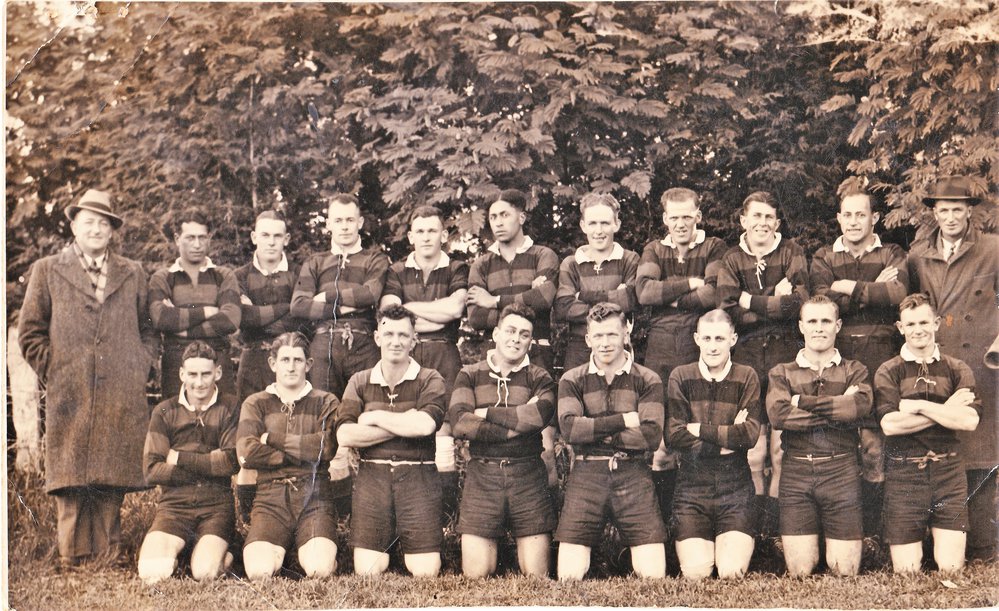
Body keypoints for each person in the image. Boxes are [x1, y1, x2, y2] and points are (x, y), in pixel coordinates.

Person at [19, 188, 158, 568]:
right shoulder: (47, 270)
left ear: (113, 230)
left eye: (104, 223)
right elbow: (29, 331)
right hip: (71, 388)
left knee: (111, 471)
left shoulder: (132, 272)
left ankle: (108, 554)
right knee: (71, 468)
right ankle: (73, 554)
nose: (96, 229)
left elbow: (149, 328)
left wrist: (139, 364)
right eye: (88, 221)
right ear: (74, 225)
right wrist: (56, 367)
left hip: (119, 389)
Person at [907, 175, 998, 563]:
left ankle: (981, 544)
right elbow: (914, 305)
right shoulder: (917, 256)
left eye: (957, 209)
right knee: (936, 445)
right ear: (934, 213)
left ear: (969, 212)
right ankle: (933, 543)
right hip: (934, 363)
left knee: (980, 448)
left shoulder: (993, 249)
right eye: (942, 210)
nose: (950, 217)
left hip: (981, 362)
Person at [811, 187, 908, 539]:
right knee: (835, 442)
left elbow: (898, 295)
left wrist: (849, 285)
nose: (853, 221)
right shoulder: (823, 256)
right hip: (836, 357)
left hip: (880, 354)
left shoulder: (893, 252)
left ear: (874, 218)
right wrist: (871, 290)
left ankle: (873, 534)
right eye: (847, 215)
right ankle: (837, 529)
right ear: (839, 218)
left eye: (860, 214)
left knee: (874, 445)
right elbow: (822, 303)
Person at [636, 187, 728, 538]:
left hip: (696, 347)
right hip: (659, 352)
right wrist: (690, 283)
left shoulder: (714, 247)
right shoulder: (654, 249)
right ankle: (664, 531)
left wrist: (670, 295)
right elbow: (644, 293)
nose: (680, 223)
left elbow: (714, 293)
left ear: (698, 216)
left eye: (687, 216)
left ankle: (698, 527)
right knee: (661, 449)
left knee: (697, 441)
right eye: (673, 217)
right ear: (664, 219)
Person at [716, 191, 809, 535]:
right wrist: (773, 299)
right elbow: (727, 310)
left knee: (781, 450)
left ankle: (777, 530)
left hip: (785, 359)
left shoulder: (791, 252)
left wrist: (749, 300)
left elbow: (798, 304)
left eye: (769, 217)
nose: (762, 223)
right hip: (747, 359)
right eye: (756, 216)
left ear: (777, 223)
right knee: (754, 450)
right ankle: (755, 530)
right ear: (743, 221)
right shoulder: (731, 259)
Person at [291, 193, 390, 505]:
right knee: (324, 416)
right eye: (338, 220)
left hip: (362, 340)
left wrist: (325, 296)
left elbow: (371, 294)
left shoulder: (375, 259)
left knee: (369, 410)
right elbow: (298, 306)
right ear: (329, 224)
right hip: (323, 343)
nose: (345, 226)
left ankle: (374, 496)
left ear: (359, 222)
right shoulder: (315, 262)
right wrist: (345, 300)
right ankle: (333, 503)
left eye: (350, 220)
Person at [556, 303, 667, 580]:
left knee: (653, 575)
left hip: (632, 473)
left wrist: (594, 431)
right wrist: (623, 420)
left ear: (626, 334)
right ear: (587, 339)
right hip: (586, 472)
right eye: (598, 336)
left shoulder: (648, 379)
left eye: (612, 335)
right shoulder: (572, 379)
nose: (605, 343)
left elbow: (651, 435)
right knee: (569, 575)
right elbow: (570, 430)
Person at [336, 305, 448, 576]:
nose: (395, 341)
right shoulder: (359, 380)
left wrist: (372, 416)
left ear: (414, 340)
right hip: (372, 478)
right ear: (377, 337)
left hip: (418, 476)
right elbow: (345, 434)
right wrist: (404, 420)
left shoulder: (430, 378)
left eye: (403, 335)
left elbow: (425, 425)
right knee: (368, 570)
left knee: (426, 571)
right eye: (389, 334)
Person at [448, 303, 557, 578]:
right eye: (510, 331)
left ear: (530, 341)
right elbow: (460, 422)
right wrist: (517, 423)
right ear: (495, 334)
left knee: (537, 574)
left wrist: (484, 414)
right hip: (483, 474)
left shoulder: (540, 376)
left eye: (524, 334)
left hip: (527, 474)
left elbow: (539, 415)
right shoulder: (469, 374)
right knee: (477, 573)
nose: (516, 339)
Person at [875, 293, 981, 574]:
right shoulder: (888, 371)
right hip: (904, 474)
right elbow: (890, 425)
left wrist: (919, 406)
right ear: (900, 328)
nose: (918, 330)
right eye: (910, 324)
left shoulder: (958, 368)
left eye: (924, 322)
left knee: (951, 567)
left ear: (936, 323)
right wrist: (947, 411)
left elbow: (969, 421)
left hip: (949, 472)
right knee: (906, 571)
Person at [767, 295, 872, 576]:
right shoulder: (781, 372)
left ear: (838, 325)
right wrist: (837, 407)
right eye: (812, 321)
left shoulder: (855, 369)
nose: (819, 328)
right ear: (801, 326)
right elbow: (778, 416)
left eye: (826, 321)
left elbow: (857, 408)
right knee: (800, 570)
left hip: (841, 471)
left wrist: (800, 402)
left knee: (845, 569)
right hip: (797, 471)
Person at [466, 189, 560, 484]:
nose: (497, 222)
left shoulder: (542, 255)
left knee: (544, 447)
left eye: (504, 215)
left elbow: (543, 298)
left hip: (538, 354)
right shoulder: (482, 263)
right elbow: (475, 318)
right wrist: (523, 301)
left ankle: (549, 519)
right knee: (497, 436)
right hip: (495, 359)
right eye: (492, 216)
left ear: (521, 216)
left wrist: (494, 301)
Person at [380, 205, 469, 517]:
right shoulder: (395, 270)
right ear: (410, 236)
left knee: (443, 431)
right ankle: (409, 509)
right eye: (420, 231)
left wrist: (410, 308)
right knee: (405, 425)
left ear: (444, 235)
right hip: (407, 353)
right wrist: (433, 309)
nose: (427, 237)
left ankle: (445, 516)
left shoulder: (457, 267)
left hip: (444, 352)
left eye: (433, 230)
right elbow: (391, 315)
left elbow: (455, 310)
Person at [237, 332, 340, 580]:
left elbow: (326, 449)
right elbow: (247, 453)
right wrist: (302, 454)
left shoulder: (326, 401)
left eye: (298, 360)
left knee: (320, 569)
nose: (291, 367)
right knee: (258, 571)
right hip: (270, 498)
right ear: (273, 364)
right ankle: (284, 549)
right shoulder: (256, 403)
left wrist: (271, 438)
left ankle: (307, 550)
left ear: (309, 364)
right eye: (285, 360)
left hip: (314, 497)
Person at [667, 309, 761, 579]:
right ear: (696, 339)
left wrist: (698, 429)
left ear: (733, 339)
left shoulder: (747, 376)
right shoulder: (681, 376)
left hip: (735, 485)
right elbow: (674, 435)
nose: (712, 346)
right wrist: (727, 436)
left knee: (731, 572)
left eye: (720, 338)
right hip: (691, 486)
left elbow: (750, 435)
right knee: (697, 573)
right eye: (706, 338)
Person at [137, 341, 239, 584]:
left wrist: (179, 458)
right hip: (173, 507)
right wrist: (207, 465)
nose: (199, 382)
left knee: (205, 573)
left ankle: (228, 549)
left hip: (216, 507)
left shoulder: (231, 407)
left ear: (218, 372)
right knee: (152, 573)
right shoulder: (164, 412)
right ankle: (187, 550)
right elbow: (152, 470)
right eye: (192, 374)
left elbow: (230, 463)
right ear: (182, 374)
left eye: (206, 374)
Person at [233, 209, 304, 521]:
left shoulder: (301, 274)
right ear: (254, 238)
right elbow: (244, 319)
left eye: (278, 235)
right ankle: (249, 518)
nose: (271, 242)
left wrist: (261, 312)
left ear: (286, 239)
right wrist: (287, 308)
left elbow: (303, 320)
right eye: (265, 235)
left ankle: (289, 509)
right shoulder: (237, 277)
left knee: (287, 433)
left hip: (290, 363)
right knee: (250, 439)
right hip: (253, 361)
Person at [149, 208, 241, 398]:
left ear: (209, 239)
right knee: (178, 423)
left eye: (202, 238)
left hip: (218, 364)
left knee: (223, 422)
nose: (197, 244)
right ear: (177, 239)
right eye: (190, 238)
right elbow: (160, 318)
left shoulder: (223, 275)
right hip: (177, 366)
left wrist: (181, 328)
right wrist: (207, 311)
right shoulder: (162, 278)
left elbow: (230, 320)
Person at [554, 193, 639, 371]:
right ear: (583, 226)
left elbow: (630, 299)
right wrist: (615, 298)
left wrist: (581, 296)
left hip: (616, 344)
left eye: (605, 223)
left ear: (616, 224)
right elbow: (563, 307)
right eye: (592, 223)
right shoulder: (571, 264)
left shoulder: (630, 259)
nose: (598, 231)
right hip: (579, 346)